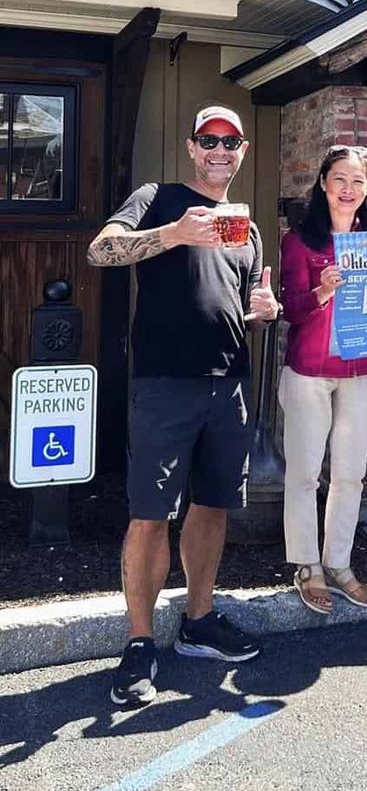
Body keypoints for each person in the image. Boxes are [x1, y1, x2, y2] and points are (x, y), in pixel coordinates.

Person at [87, 105, 279, 707]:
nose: (220, 150)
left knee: (214, 505)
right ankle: (140, 642)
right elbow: (102, 251)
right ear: (192, 147)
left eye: (230, 141)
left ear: (242, 150)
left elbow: (244, 298)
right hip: (166, 383)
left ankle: (198, 621)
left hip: (229, 385)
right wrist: (174, 233)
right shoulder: (159, 197)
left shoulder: (246, 230)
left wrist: (264, 308)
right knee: (150, 513)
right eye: (208, 140)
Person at [278, 146, 367, 613]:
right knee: (303, 472)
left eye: (358, 181)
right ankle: (306, 565)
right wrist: (322, 290)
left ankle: (338, 564)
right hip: (310, 373)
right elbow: (290, 311)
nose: (348, 189)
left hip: (362, 369)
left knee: (350, 474)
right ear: (323, 183)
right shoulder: (300, 241)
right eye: (339, 179)